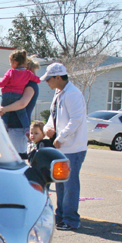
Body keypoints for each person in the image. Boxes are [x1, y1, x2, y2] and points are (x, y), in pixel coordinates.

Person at [42, 62, 88, 231]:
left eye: (49, 79)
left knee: (70, 185)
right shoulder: (59, 93)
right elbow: (52, 117)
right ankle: (61, 216)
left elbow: (76, 120)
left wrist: (61, 137)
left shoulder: (73, 94)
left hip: (73, 148)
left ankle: (71, 219)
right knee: (60, 184)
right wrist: (48, 128)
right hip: (62, 148)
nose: (47, 82)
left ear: (58, 77)